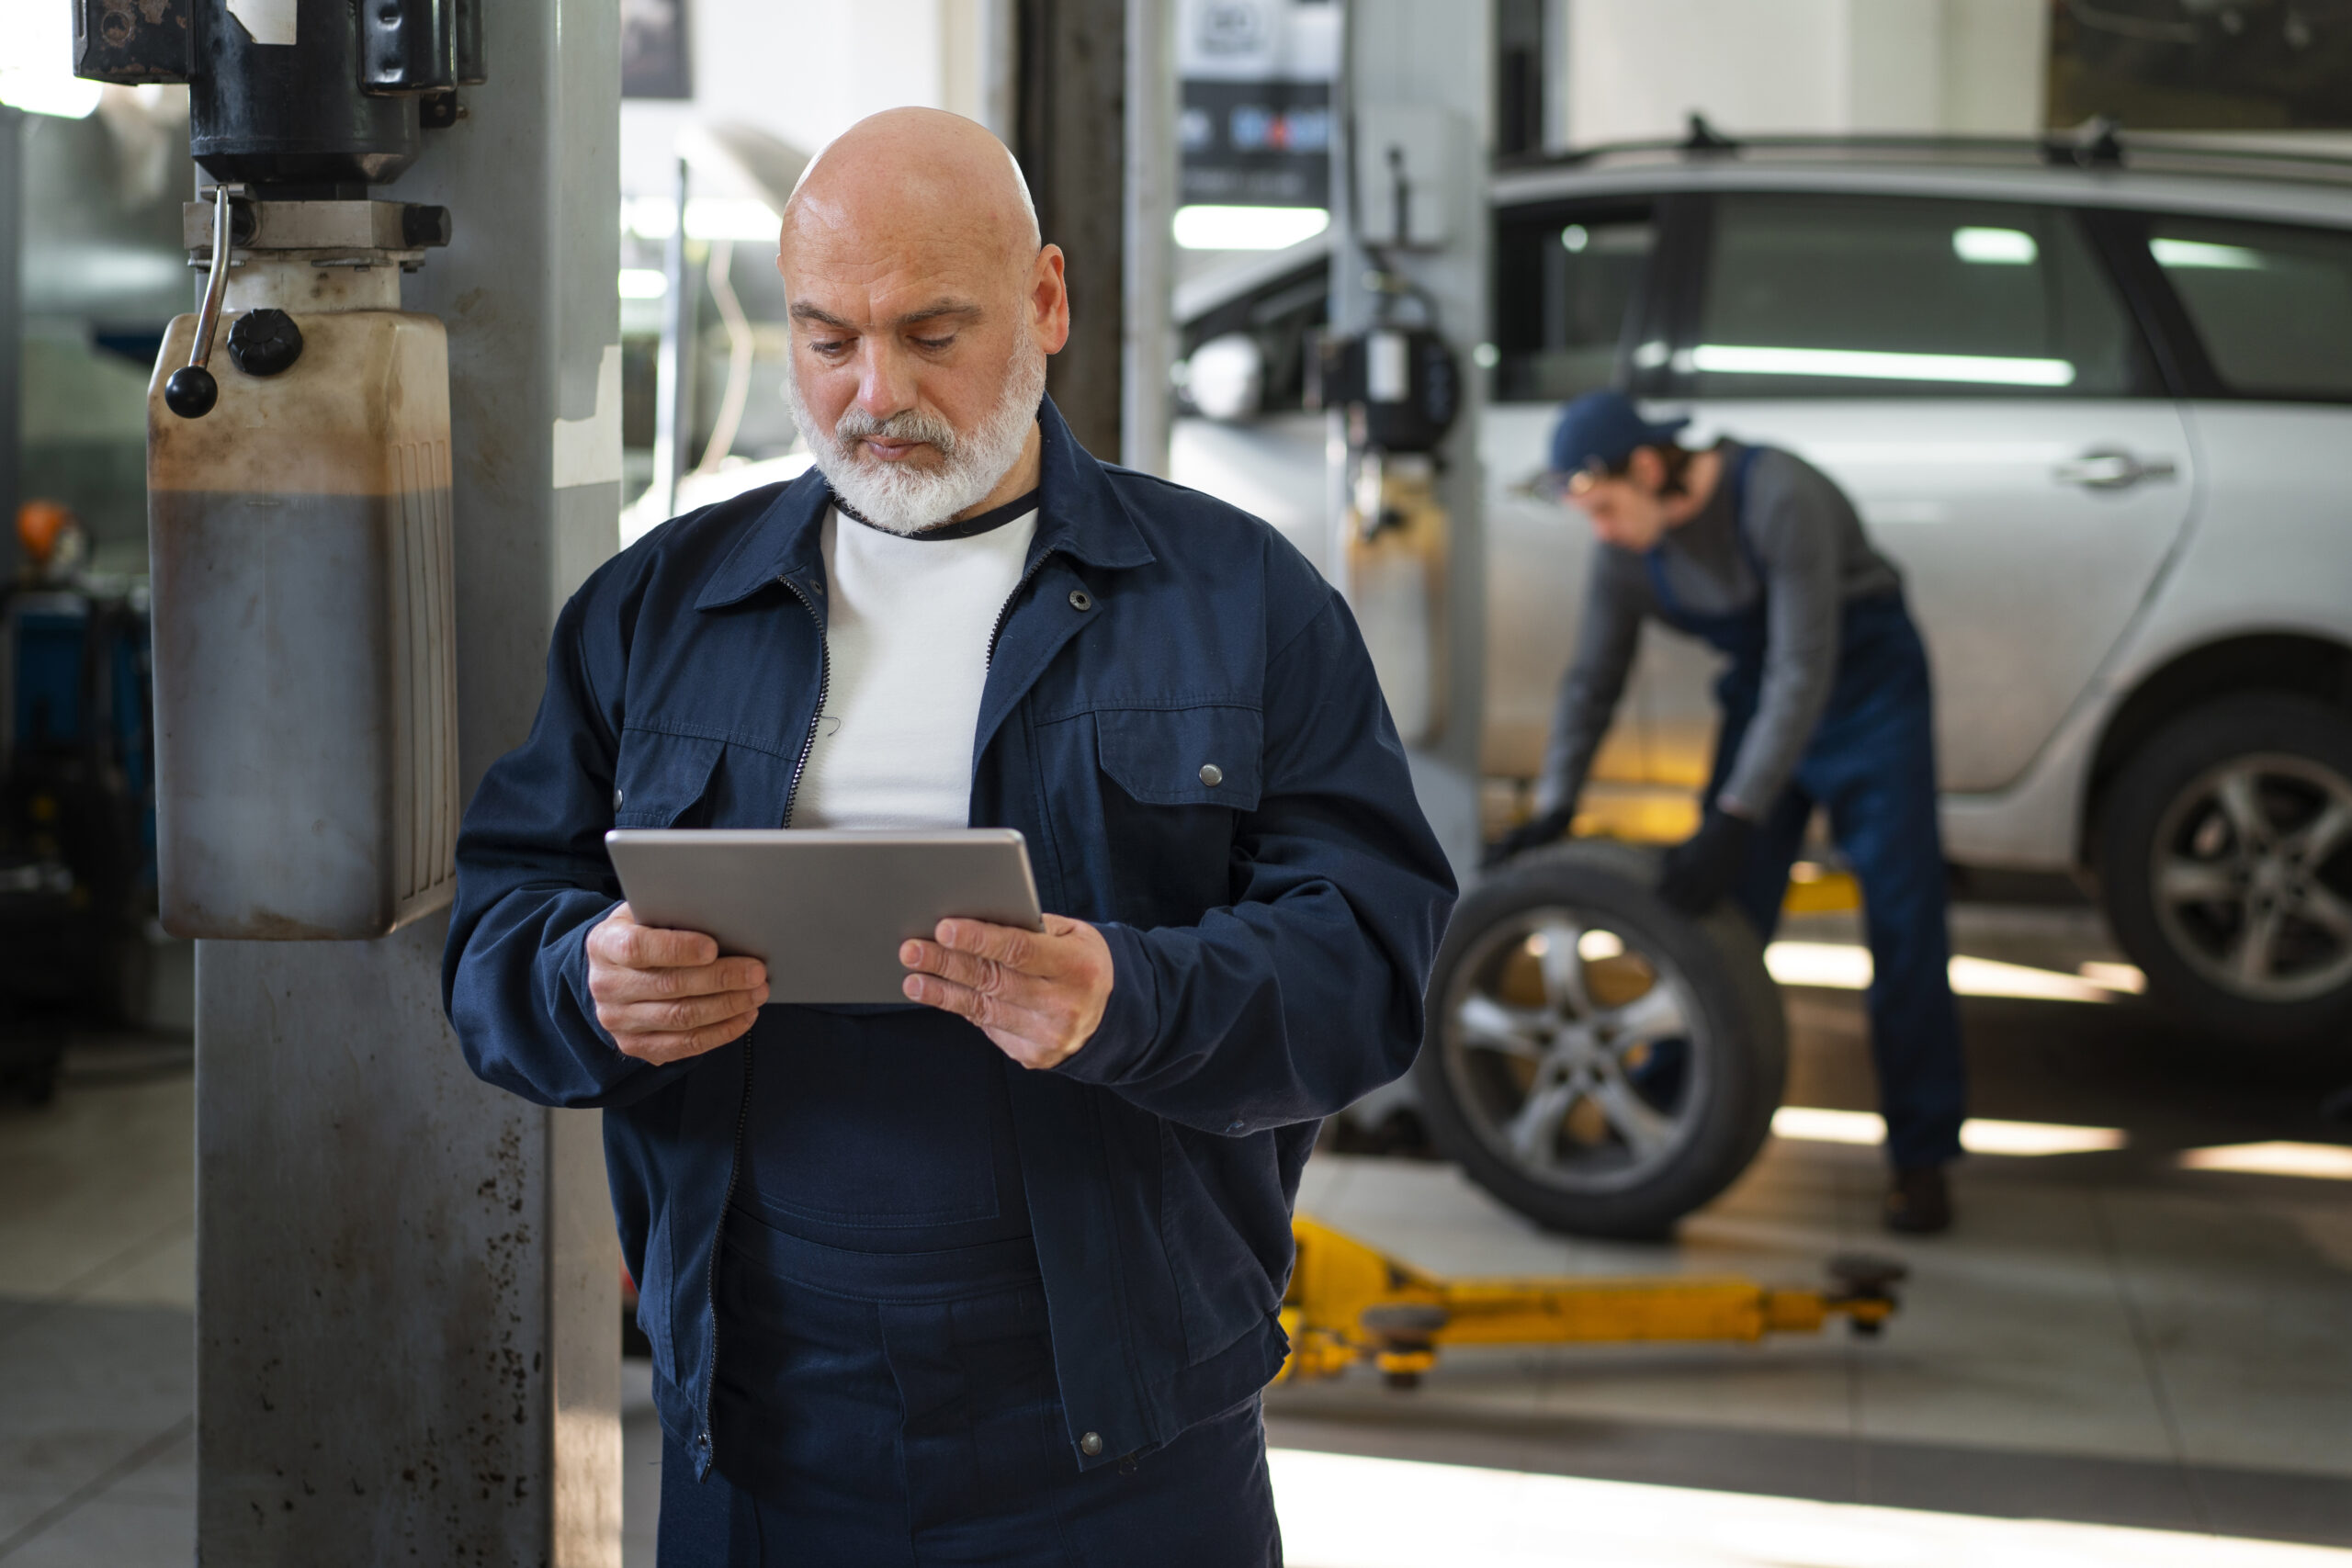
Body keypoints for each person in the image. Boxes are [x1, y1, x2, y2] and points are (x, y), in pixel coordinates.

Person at [442, 107, 1454, 1566]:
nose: (873, 393)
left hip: (1121, 1424)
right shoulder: (660, 610)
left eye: (931, 332)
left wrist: (1130, 995)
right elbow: (494, 930)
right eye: (825, 338)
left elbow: (1370, 961)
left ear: (1045, 301)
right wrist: (582, 979)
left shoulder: (1241, 602)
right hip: (762, 1416)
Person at [1487, 389, 1966, 1235]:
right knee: (1713, 916)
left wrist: (1739, 813)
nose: (1598, 530)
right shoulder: (1628, 551)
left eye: (1603, 507)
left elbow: (1803, 668)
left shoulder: (1778, 494)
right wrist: (1557, 803)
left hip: (1866, 690)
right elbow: (1593, 678)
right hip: (1763, 696)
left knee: (1903, 919)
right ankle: (1672, 1112)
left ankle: (1921, 1158)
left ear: (1646, 466)